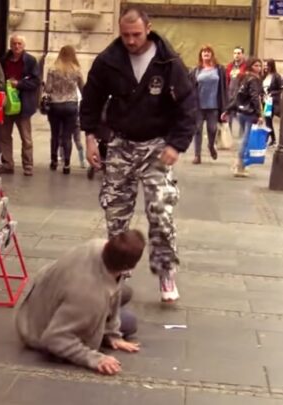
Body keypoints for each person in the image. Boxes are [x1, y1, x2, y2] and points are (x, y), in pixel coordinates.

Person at [80, 7, 198, 303]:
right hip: (121, 143)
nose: (131, 41)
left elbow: (187, 106)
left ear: (148, 28)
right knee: (116, 211)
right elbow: (91, 100)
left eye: (136, 34)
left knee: (161, 211)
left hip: (157, 145)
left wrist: (177, 145)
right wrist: (90, 137)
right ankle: (117, 272)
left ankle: (165, 270)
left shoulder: (168, 62)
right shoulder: (109, 61)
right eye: (125, 35)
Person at [15, 230, 144, 375]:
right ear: (130, 267)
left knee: (126, 292)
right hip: (37, 329)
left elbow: (116, 286)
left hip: (42, 296)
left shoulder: (97, 245)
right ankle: (92, 323)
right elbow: (53, 338)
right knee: (130, 322)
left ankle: (101, 325)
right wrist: (94, 358)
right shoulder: (89, 297)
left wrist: (112, 333)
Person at [0, 35, 40, 176]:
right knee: (4, 136)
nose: (16, 46)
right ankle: (7, 163)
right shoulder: (4, 60)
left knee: (26, 138)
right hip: (7, 104)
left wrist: (19, 84)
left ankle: (28, 166)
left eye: (19, 44)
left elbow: (36, 82)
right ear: (10, 45)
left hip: (23, 105)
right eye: (14, 43)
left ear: (24, 45)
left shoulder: (30, 61)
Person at [221, 57, 264, 178]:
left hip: (241, 111)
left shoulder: (243, 77)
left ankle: (239, 162)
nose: (259, 68)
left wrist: (229, 109)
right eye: (256, 66)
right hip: (249, 113)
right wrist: (259, 114)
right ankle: (240, 165)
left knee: (243, 138)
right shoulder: (254, 79)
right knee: (246, 139)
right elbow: (255, 97)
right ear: (250, 66)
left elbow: (237, 96)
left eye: (259, 66)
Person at [44, 45, 84, 175]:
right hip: (71, 105)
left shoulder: (53, 69)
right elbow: (82, 88)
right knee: (67, 136)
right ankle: (67, 164)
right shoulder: (76, 70)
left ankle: (54, 160)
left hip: (55, 105)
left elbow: (48, 89)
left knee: (55, 134)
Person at [189, 44, 227, 164]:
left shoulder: (219, 69)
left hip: (213, 105)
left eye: (208, 52)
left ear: (212, 54)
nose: (206, 54)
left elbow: (224, 88)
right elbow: (189, 87)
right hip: (198, 105)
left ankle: (211, 146)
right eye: (204, 52)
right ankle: (197, 155)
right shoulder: (196, 70)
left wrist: (226, 107)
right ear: (201, 55)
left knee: (212, 129)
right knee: (198, 130)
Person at [262, 59, 282, 146]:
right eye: (265, 65)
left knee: (268, 120)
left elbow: (281, 88)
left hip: (272, 101)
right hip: (265, 101)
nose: (265, 67)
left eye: (267, 65)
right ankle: (272, 139)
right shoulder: (264, 75)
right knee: (267, 120)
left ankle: (269, 139)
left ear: (271, 66)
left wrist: (272, 93)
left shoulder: (276, 76)